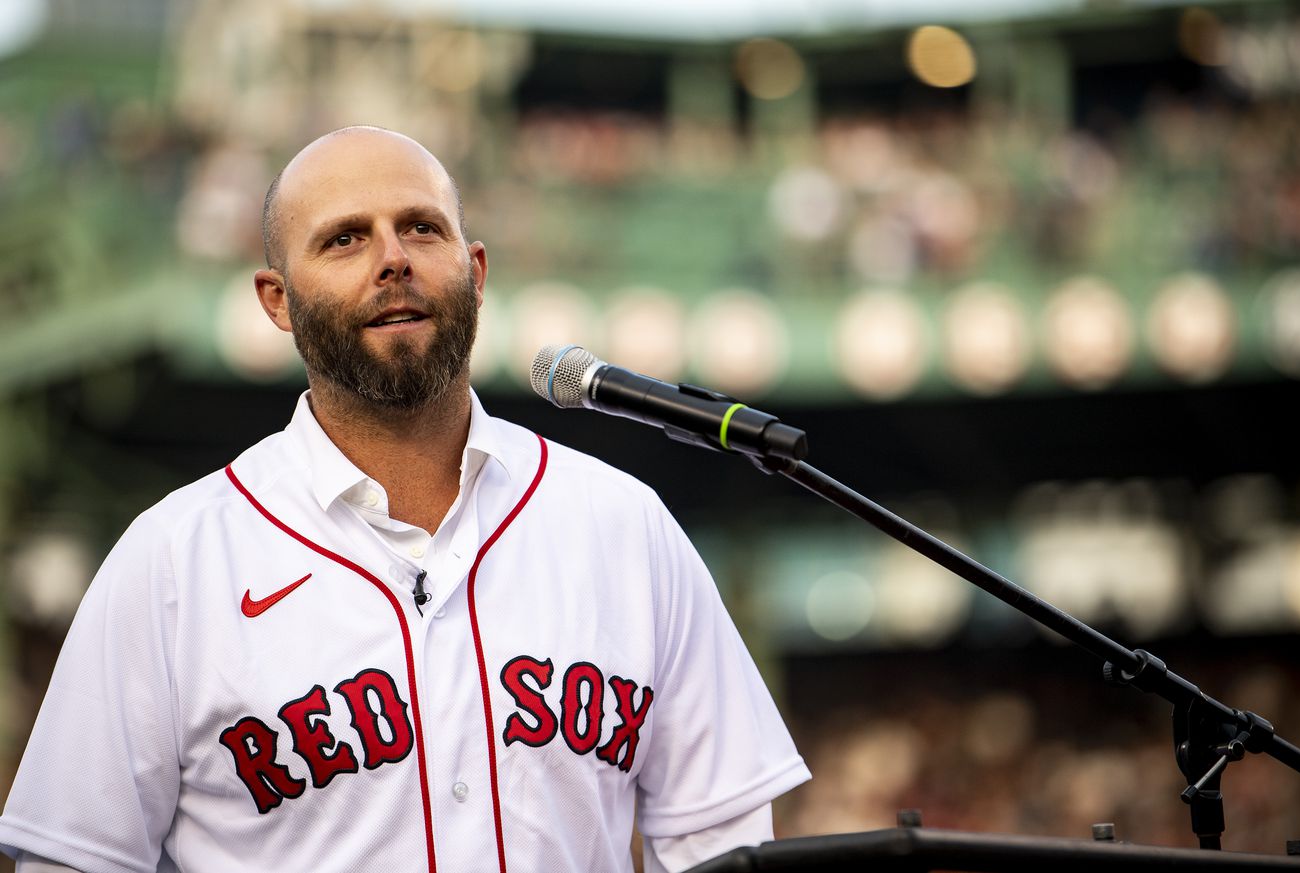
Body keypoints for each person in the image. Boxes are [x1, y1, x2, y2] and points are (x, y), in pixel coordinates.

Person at [0, 126, 810, 873]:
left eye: (422, 227)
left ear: (477, 271)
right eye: (345, 238)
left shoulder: (624, 525)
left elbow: (726, 846)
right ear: (276, 300)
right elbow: (74, 860)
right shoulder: (174, 557)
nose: (393, 258)